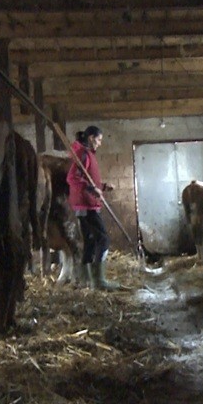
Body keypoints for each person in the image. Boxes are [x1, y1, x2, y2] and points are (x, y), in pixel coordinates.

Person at [67, 125, 121, 291]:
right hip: (86, 204)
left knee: (90, 242)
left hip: (86, 202)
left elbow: (88, 179)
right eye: (98, 140)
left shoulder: (87, 154)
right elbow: (72, 178)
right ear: (91, 138)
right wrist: (92, 190)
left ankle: (86, 280)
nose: (99, 143)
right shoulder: (83, 154)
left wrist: (102, 186)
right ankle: (99, 280)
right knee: (103, 239)